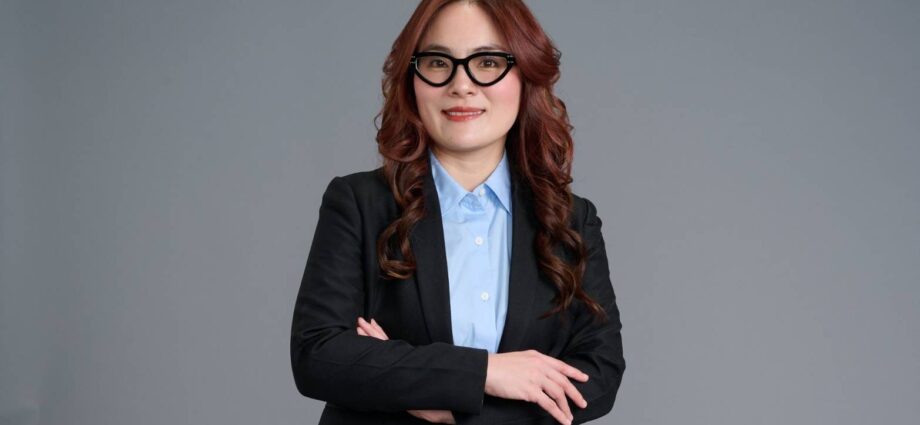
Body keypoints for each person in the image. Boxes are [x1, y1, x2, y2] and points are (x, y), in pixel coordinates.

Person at [290, 1, 625, 424]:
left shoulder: (571, 220)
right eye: (438, 62)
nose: (461, 85)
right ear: (412, 79)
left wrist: (447, 404)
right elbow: (318, 355)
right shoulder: (359, 203)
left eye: (488, 62)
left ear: (526, 76)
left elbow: (598, 375)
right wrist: (485, 373)